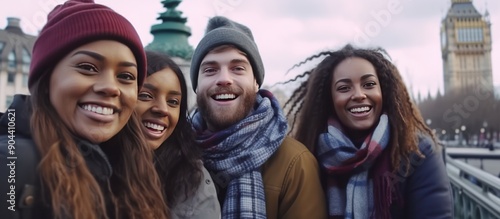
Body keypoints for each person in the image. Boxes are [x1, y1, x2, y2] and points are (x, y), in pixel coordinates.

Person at [0, 1, 168, 218]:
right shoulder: (11, 161)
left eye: (126, 76)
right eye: (87, 68)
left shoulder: (132, 169)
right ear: (47, 79)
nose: (110, 87)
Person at [283, 44, 453, 218]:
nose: (359, 94)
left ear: (384, 91)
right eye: (344, 88)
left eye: (369, 84)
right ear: (329, 99)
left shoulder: (417, 151)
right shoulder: (307, 156)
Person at [189, 16, 327, 219]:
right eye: (210, 70)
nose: (224, 79)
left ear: (256, 83)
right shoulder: (174, 155)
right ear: (197, 85)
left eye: (238, 68)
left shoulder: (295, 163)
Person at [136, 51, 220, 219]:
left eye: (173, 102)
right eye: (146, 96)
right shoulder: (84, 162)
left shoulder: (191, 179)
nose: (163, 109)